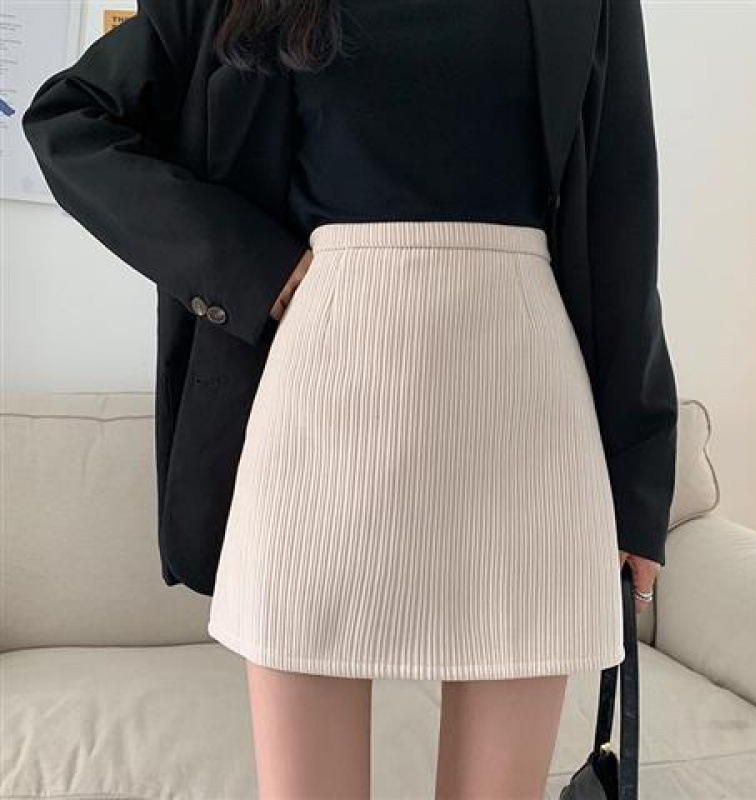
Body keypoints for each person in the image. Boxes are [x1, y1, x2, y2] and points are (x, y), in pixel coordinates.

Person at [22, 0, 676, 797]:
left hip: (526, 396)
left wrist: (638, 486)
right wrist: (251, 265)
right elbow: (71, 119)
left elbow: (620, 216)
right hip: (321, 389)